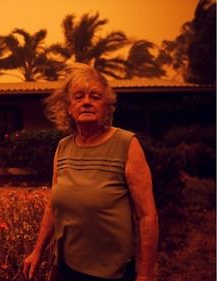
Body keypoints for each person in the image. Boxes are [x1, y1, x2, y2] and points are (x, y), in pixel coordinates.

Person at [23, 63, 158, 281]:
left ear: (107, 108)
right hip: (65, 268)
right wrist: (37, 250)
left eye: (95, 96)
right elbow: (52, 206)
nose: (86, 102)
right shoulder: (63, 147)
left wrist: (145, 275)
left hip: (111, 274)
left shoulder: (126, 144)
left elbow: (148, 215)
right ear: (69, 107)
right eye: (78, 97)